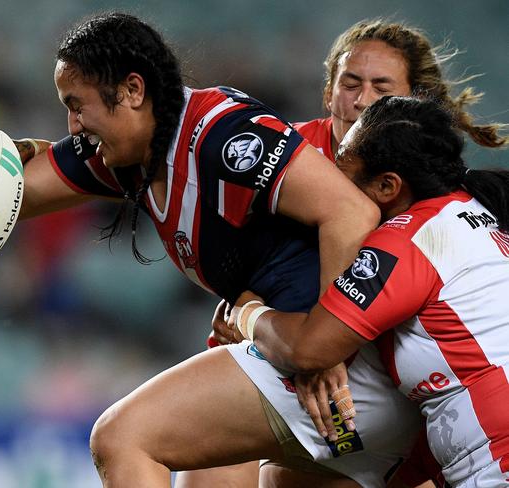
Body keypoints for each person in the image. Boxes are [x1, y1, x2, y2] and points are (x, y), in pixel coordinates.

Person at [0, 12, 428, 487]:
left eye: (78, 106)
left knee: (123, 439)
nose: (71, 125)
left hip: (337, 370)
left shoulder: (224, 136)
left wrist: (332, 346)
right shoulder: (127, 157)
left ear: (134, 92)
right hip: (300, 364)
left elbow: (350, 213)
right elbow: (1, 192)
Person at [201, 18, 509, 488]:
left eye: (380, 87)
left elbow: (312, 346)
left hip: (408, 400)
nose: (361, 99)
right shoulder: (287, 164)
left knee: (136, 434)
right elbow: (240, 264)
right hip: (393, 392)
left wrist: (249, 314)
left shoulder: (418, 217)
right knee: (229, 465)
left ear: (413, 102)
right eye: (350, 83)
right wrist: (238, 308)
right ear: (328, 92)